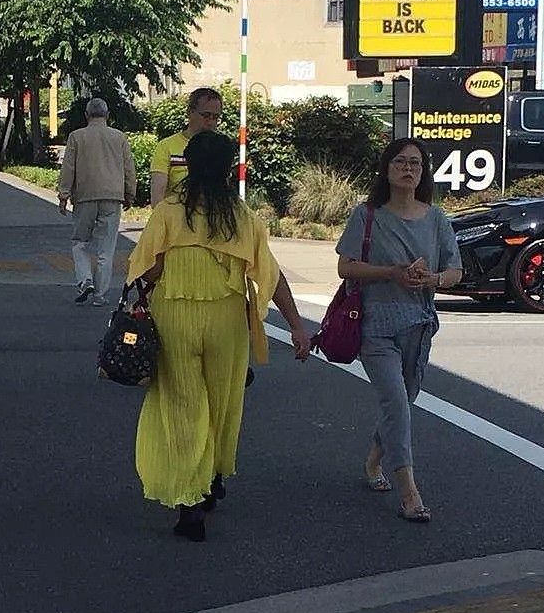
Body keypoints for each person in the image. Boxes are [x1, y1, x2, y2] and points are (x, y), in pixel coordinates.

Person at [128, 130, 312, 542]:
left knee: (183, 406)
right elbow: (270, 276)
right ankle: (211, 476)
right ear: (230, 170)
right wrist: (298, 326)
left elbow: (147, 271)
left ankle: (190, 501)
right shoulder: (242, 217)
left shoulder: (168, 213)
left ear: (187, 167)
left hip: (174, 318)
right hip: (228, 323)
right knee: (222, 403)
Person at [335, 137, 463, 524]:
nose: (409, 169)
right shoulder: (368, 215)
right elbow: (346, 267)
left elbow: (455, 272)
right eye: (401, 162)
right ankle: (409, 490)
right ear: (387, 169)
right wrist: (390, 273)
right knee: (395, 401)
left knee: (403, 402)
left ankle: (374, 461)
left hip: (419, 326)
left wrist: (433, 278)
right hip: (375, 327)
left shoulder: (437, 218)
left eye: (416, 164)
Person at [57, 97, 137, 306]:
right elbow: (129, 168)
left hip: (84, 196)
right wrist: (130, 193)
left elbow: (69, 167)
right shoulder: (119, 137)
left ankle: (85, 280)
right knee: (106, 249)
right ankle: (100, 296)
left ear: (86, 115)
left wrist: (64, 194)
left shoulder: (76, 137)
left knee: (80, 242)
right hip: (113, 197)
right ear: (107, 115)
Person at [149, 87, 223, 207]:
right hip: (177, 219)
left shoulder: (219, 148)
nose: (210, 122)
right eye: (206, 115)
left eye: (215, 117)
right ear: (189, 112)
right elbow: (157, 196)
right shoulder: (166, 147)